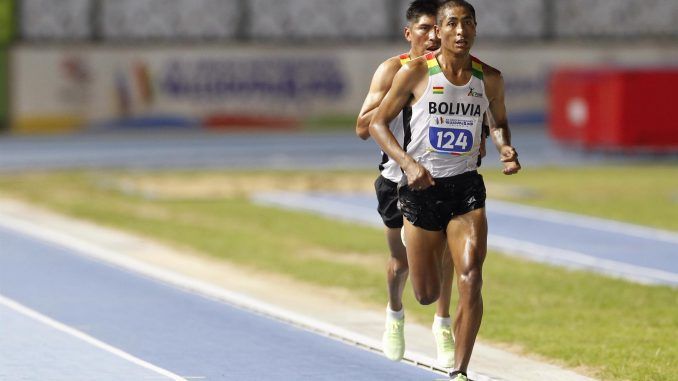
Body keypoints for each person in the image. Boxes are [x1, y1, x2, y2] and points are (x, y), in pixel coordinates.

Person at [368, 1, 521, 379]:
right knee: (426, 293)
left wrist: (504, 147)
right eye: (452, 23)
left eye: (468, 23)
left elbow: (498, 122)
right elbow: (376, 125)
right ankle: (409, 301)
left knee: (472, 277)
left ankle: (460, 372)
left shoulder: (490, 78)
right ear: (439, 29)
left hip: (466, 187)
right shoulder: (415, 72)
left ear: (475, 29)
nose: (460, 31)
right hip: (421, 188)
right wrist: (409, 164)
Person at [355, 0, 456, 368]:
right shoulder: (391, 69)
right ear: (409, 33)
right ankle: (395, 313)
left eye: (438, 28)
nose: (433, 36)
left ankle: (443, 325)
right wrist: (395, 99)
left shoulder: (450, 71)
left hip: (436, 179)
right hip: (395, 179)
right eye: (425, 28)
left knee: (445, 254)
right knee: (400, 263)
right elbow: (362, 128)